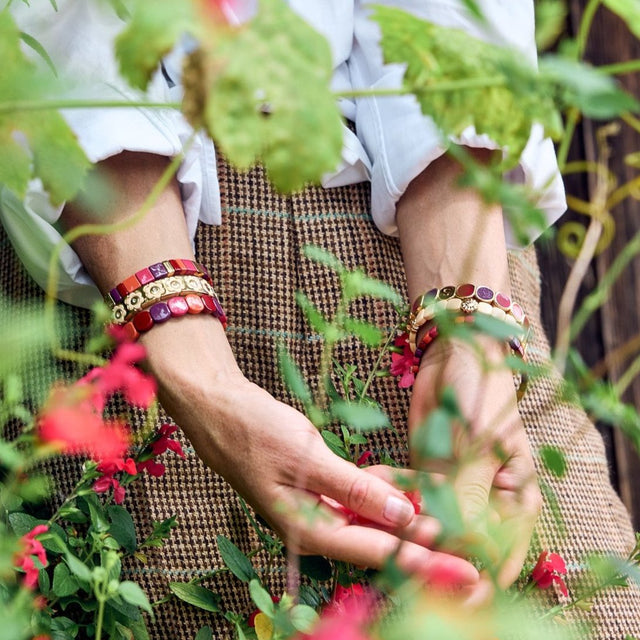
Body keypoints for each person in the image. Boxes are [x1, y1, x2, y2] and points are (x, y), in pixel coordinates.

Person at [2, 1, 639, 639]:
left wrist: (469, 334)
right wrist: (194, 369)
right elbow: (57, 36)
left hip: (447, 232)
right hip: (129, 243)